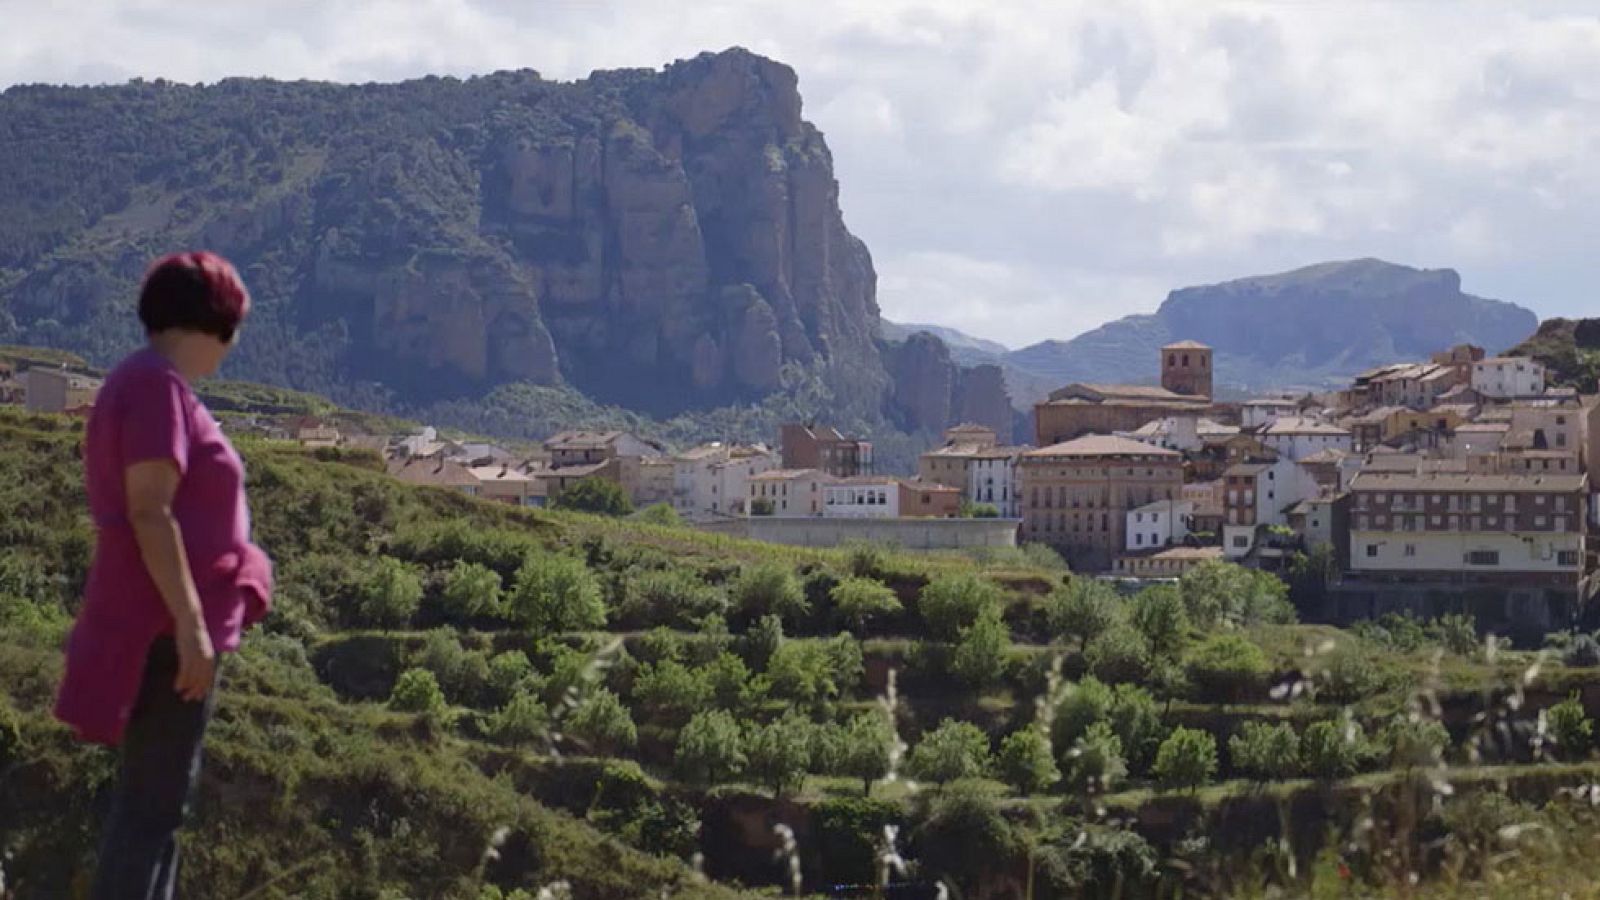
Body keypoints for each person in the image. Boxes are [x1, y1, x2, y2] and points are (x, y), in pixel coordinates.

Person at [54, 251, 274, 899]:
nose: (231, 346)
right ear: (210, 322)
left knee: (155, 808)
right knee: (152, 811)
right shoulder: (155, 387)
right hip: (163, 628)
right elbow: (149, 510)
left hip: (157, 620)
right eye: (231, 330)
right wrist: (191, 625)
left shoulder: (144, 382)